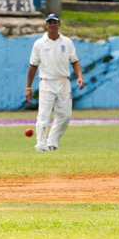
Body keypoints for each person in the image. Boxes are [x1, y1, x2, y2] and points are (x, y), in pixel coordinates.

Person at [25, 14, 84, 152]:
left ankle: (52, 143)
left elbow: (74, 61)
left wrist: (80, 76)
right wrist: (28, 87)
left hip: (63, 82)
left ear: (59, 24)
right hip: (46, 82)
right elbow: (32, 66)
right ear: (46, 25)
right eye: (49, 22)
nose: (52, 25)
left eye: (55, 22)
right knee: (44, 115)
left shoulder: (67, 42)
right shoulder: (39, 43)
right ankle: (41, 144)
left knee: (65, 116)